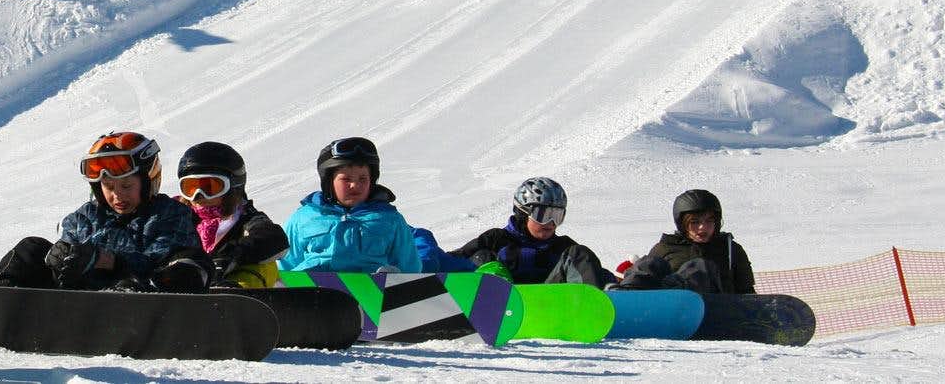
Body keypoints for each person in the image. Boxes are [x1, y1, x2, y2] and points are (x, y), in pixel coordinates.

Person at [0, 131, 213, 292]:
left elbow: (158, 258)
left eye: (126, 185)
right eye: (108, 187)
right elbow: (67, 256)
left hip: (142, 293)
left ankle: (128, 298)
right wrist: (61, 257)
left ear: (148, 182)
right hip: (77, 297)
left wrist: (109, 261)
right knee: (32, 247)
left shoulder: (170, 214)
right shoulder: (84, 217)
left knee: (189, 261)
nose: (117, 194)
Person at [278, 137, 424, 274]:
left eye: (363, 178)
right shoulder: (304, 218)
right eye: (346, 179)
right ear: (329, 182)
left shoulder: (390, 219)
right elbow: (285, 265)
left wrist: (395, 281)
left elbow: (410, 267)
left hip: (370, 293)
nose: (355, 185)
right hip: (313, 294)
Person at [449, 177, 617, 289]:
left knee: (579, 254)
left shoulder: (563, 247)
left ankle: (590, 306)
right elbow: (452, 262)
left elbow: (593, 272)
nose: (551, 223)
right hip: (505, 307)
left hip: (550, 304)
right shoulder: (496, 239)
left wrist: (617, 283)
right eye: (544, 215)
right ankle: (494, 298)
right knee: (482, 256)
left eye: (557, 216)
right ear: (523, 213)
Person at [171, 141, 289, 288]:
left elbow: (273, 237)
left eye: (210, 187)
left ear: (233, 188)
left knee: (265, 266)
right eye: (190, 187)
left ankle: (234, 297)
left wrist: (233, 254)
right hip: (181, 287)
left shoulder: (245, 217)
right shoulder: (174, 215)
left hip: (226, 289)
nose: (198, 196)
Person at [617, 189, 756, 294]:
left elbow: (748, 294)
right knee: (650, 264)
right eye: (695, 222)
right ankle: (625, 298)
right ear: (682, 224)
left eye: (709, 221)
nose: (702, 227)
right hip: (668, 309)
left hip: (714, 314)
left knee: (700, 267)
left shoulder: (730, 249)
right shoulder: (665, 248)